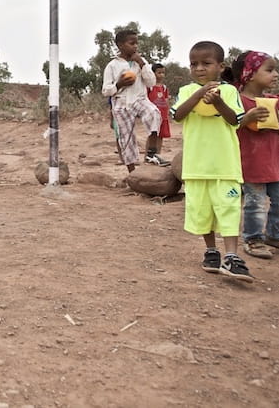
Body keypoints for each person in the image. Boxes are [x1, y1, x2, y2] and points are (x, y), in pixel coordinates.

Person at [171, 40, 252, 282]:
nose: (199, 69)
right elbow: (177, 115)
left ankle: (232, 257)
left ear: (220, 66)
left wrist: (217, 101)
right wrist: (197, 94)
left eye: (206, 63)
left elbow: (235, 120)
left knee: (228, 209)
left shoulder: (229, 91)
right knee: (202, 212)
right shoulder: (186, 91)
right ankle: (211, 251)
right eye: (193, 64)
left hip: (225, 166)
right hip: (196, 167)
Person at [228, 51, 279, 260]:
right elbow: (231, 124)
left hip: (275, 163)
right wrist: (248, 119)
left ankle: (275, 236)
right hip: (250, 163)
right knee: (255, 204)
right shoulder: (238, 101)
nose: (276, 74)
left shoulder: (274, 101)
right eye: (269, 70)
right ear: (249, 74)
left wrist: (272, 124)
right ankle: (253, 239)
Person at [101, 30, 169, 171]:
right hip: (121, 103)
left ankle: (151, 153)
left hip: (139, 99)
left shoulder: (141, 62)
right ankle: (132, 172)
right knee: (126, 139)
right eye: (132, 43)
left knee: (154, 113)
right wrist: (119, 84)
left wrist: (142, 63)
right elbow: (105, 90)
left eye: (137, 43)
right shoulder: (112, 65)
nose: (135, 46)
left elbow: (151, 82)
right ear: (120, 45)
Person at [146, 63, 172, 156]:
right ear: (153, 73)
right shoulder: (150, 87)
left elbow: (166, 100)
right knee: (152, 135)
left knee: (161, 136)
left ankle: (158, 155)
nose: (161, 75)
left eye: (163, 73)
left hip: (163, 116)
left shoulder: (164, 88)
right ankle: (148, 156)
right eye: (159, 73)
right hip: (153, 115)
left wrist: (167, 113)